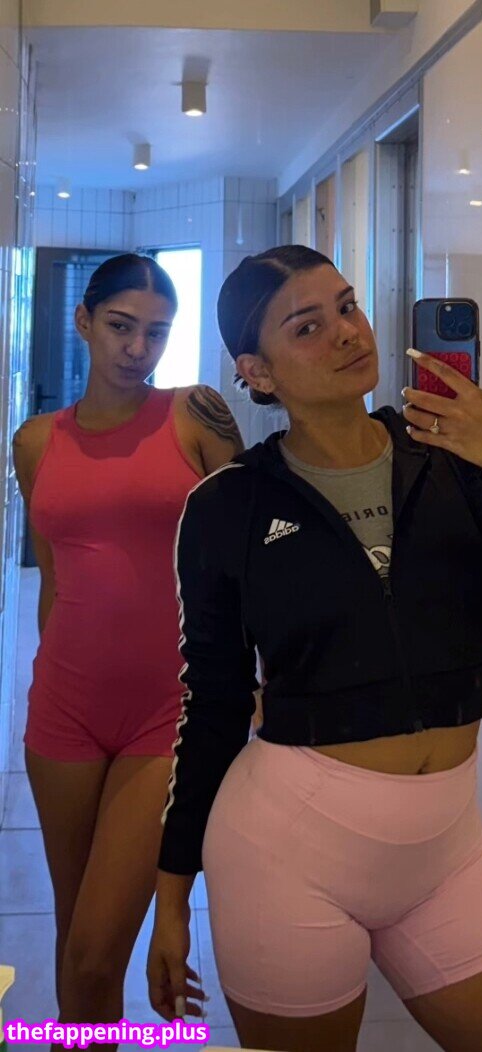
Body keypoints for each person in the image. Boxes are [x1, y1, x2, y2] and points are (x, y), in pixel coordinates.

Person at [146, 246, 482, 1052]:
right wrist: (173, 894)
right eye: (308, 326)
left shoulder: (449, 456)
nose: (347, 333)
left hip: (447, 853)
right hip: (288, 854)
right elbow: (214, 704)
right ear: (257, 372)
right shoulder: (229, 506)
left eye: (348, 306)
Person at [11, 253, 243, 1048]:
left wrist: (252, 680)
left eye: (155, 332)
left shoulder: (196, 414)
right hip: (63, 708)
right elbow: (53, 577)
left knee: (92, 949)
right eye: (120, 326)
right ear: (83, 322)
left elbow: (250, 555)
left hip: (168, 710)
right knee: (77, 939)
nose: (138, 348)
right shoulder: (35, 441)